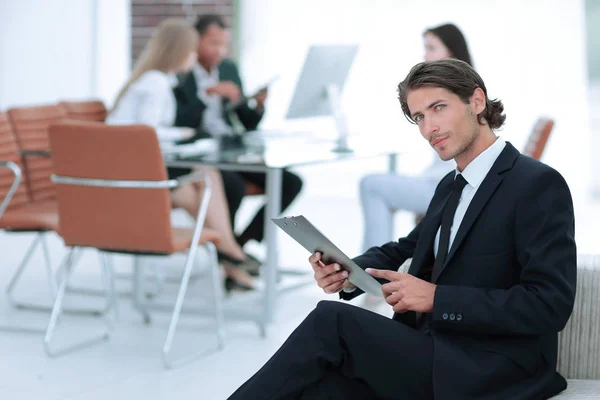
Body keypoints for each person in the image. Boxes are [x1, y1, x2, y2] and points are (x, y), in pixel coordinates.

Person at [228, 59, 577, 399]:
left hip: (493, 365)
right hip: (435, 351)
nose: (428, 129)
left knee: (331, 322)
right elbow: (404, 249)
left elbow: (550, 304)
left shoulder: (537, 184)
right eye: (419, 118)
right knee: (320, 390)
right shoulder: (451, 185)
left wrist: (437, 298)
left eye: (438, 108)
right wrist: (348, 271)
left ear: (477, 101)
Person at [107, 18, 256, 290]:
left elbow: (150, 130)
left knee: (192, 187)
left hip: (133, 166)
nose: (194, 57)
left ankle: (227, 251)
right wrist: (184, 134)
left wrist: (182, 134)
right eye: (191, 52)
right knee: (207, 176)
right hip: (125, 172)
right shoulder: (156, 83)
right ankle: (229, 251)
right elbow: (146, 132)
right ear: (177, 52)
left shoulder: (158, 81)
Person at [173, 14, 303, 255]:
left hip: (230, 147)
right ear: (196, 41)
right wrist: (208, 95)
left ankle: (240, 245)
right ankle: (231, 256)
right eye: (213, 43)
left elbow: (248, 122)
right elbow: (179, 122)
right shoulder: (182, 72)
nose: (219, 51)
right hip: (200, 153)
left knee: (290, 182)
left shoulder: (228, 68)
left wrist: (256, 105)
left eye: (223, 45)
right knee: (232, 185)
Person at [360, 23, 472, 252]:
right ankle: (377, 266)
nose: (425, 55)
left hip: (450, 187)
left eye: (431, 48)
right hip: (443, 181)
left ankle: (370, 272)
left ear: (450, 52)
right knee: (379, 185)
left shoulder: (455, 94)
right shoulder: (456, 89)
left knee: (372, 185)